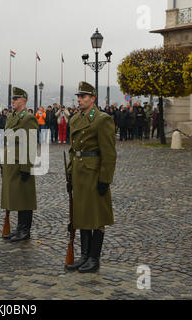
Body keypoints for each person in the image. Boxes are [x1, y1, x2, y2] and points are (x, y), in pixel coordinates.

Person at [65, 81, 116, 273]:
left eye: (83, 97)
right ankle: (84, 256)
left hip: (94, 173)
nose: (79, 100)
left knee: (96, 217)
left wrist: (105, 179)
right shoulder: (75, 119)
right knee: (82, 215)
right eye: (78, 96)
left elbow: (109, 153)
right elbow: (72, 150)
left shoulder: (102, 120)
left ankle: (94, 258)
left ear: (92, 99)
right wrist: (70, 173)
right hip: (79, 172)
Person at [1, 87, 38, 242]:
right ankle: (18, 228)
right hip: (11, 161)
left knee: (24, 196)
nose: (13, 101)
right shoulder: (11, 117)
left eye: (15, 99)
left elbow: (30, 144)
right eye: (12, 99)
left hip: (20, 162)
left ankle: (25, 229)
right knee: (15, 196)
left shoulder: (28, 118)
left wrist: (25, 167)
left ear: (23, 100)